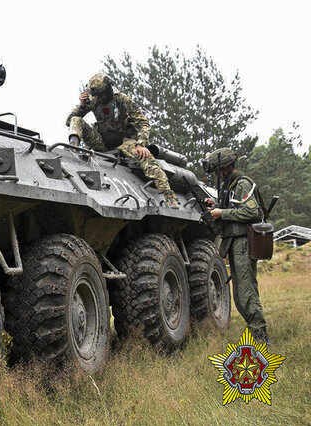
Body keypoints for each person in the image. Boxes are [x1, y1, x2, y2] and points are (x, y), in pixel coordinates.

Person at [65, 73, 179, 208]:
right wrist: (83, 105)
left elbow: (143, 123)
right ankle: (73, 149)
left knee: (146, 157)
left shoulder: (122, 99)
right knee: (76, 120)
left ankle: (169, 195)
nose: (96, 98)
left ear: (107, 90)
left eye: (99, 95)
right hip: (101, 140)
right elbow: (69, 121)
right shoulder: (93, 101)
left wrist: (141, 144)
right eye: (94, 95)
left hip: (123, 142)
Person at [203, 147, 269, 344]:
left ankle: (260, 336)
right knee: (240, 295)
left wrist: (221, 213)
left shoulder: (242, 184)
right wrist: (215, 206)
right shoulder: (230, 186)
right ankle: (255, 331)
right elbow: (234, 207)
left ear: (227, 167)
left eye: (219, 170)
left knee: (246, 292)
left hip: (243, 242)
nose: (218, 175)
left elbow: (251, 212)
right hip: (234, 243)